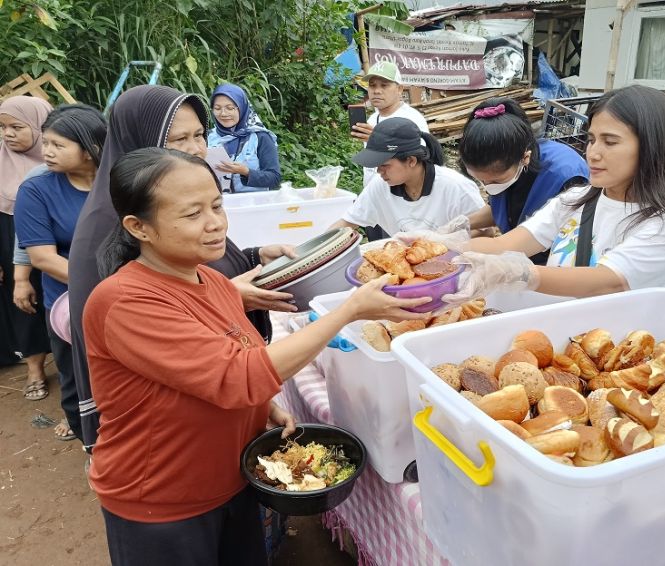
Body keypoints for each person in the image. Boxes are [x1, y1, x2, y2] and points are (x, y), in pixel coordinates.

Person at [85, 147, 427, 566]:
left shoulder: (208, 278)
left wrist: (264, 405)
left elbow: (227, 357)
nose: (214, 224)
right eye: (192, 214)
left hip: (230, 479)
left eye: (216, 205)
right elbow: (237, 376)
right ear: (139, 227)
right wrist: (348, 311)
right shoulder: (125, 302)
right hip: (162, 497)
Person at [68, 85, 298, 453]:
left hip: (209, 397)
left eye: (199, 135)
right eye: (178, 139)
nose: (195, 149)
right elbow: (150, 315)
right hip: (164, 431)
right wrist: (227, 295)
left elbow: (198, 266)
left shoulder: (182, 195)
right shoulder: (107, 225)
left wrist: (253, 256)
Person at [398, 85, 665, 303]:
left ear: (652, 146)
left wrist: (523, 274)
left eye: (610, 142)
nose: (593, 153)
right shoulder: (576, 200)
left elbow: (607, 282)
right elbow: (507, 243)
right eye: (592, 139)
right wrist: (442, 247)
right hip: (561, 332)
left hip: (621, 352)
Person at [14, 104, 106, 441]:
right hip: (71, 300)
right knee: (76, 376)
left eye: (58, 145)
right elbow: (43, 257)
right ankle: (89, 442)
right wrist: (108, 287)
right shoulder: (37, 189)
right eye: (46, 143)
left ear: (90, 148)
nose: (46, 152)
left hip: (129, 295)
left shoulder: (119, 179)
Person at [457, 97, 589, 265]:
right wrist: (464, 223)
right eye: (481, 180)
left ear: (525, 158)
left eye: (496, 181)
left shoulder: (565, 176)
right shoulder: (502, 165)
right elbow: (500, 209)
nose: (488, 187)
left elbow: (564, 240)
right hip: (515, 254)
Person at [332, 117, 484, 237]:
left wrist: (444, 244)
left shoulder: (455, 187)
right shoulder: (380, 186)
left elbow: (485, 231)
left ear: (411, 160)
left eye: (384, 165)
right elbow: (347, 222)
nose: (379, 171)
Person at [0, 95, 53, 399]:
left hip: (53, 247)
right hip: (9, 243)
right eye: (3, 127)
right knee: (24, 304)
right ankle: (35, 367)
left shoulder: (59, 160)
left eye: (17, 127)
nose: (8, 134)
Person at [350, 61, 429, 188]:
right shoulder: (372, 119)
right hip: (373, 192)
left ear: (399, 89)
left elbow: (421, 158)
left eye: (384, 85)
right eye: (372, 85)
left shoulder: (411, 119)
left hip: (401, 193)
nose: (377, 91)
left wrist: (379, 141)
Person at [207, 83, 281, 192]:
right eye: (217, 108)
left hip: (253, 205)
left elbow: (274, 178)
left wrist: (246, 172)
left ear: (242, 107)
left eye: (230, 108)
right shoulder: (208, 137)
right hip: (217, 204)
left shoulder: (260, 137)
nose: (223, 113)